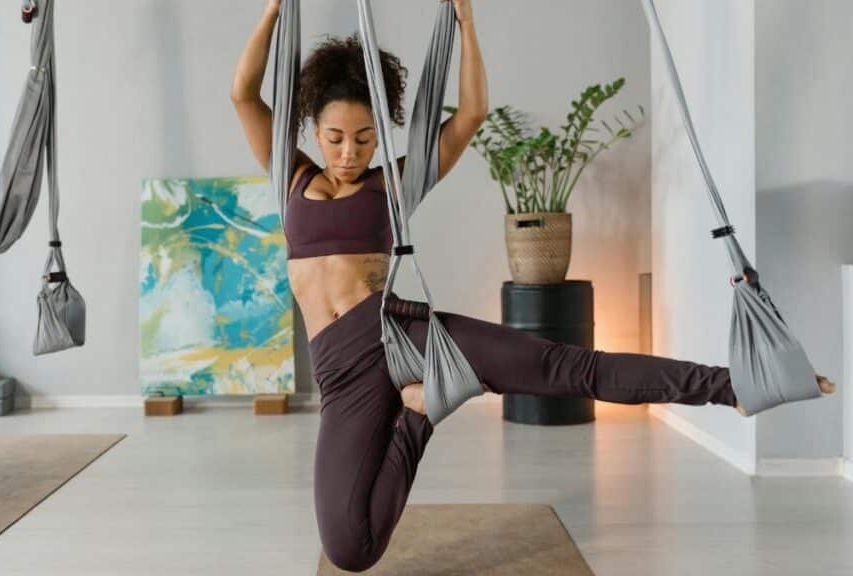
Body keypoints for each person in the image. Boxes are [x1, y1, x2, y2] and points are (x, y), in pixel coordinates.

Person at [231, 0, 836, 570]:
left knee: (569, 367)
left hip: (404, 336)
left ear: (381, 133)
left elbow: (468, 116)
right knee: (350, 548)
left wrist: (464, 23)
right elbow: (244, 95)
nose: (348, 153)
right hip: (340, 371)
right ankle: (421, 413)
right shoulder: (290, 177)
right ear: (310, 126)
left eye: (365, 138)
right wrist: (274, 12)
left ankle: (734, 385)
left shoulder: (394, 183)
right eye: (335, 138)